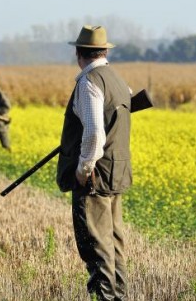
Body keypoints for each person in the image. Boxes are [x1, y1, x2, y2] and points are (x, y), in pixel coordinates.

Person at [56, 25, 132, 301]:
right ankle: (119, 295)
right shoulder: (117, 80)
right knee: (113, 242)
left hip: (95, 177)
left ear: (79, 53)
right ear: (104, 51)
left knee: (96, 243)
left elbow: (94, 133)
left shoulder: (89, 82)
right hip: (116, 171)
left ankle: (106, 298)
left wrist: (83, 169)